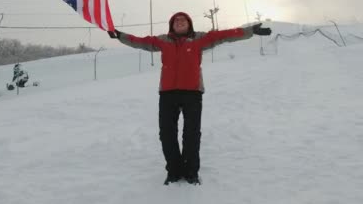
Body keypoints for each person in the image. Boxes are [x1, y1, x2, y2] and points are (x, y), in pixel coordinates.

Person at [109, 12, 272, 185]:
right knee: (166, 134)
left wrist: (250, 31)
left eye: (183, 20)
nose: (179, 22)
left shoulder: (199, 39)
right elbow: (139, 41)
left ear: (189, 24)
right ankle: (174, 171)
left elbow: (224, 35)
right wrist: (120, 35)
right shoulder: (163, 40)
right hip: (167, 94)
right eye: (176, 20)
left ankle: (191, 172)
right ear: (172, 25)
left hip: (192, 93)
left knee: (192, 134)